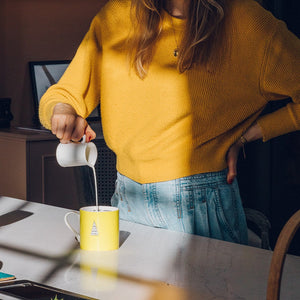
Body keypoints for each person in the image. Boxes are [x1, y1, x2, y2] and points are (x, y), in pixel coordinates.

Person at [39, 0, 300, 245]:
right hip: (127, 201)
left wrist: (251, 134)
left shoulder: (247, 22)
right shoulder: (116, 15)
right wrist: (62, 110)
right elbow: (64, 95)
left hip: (203, 206)